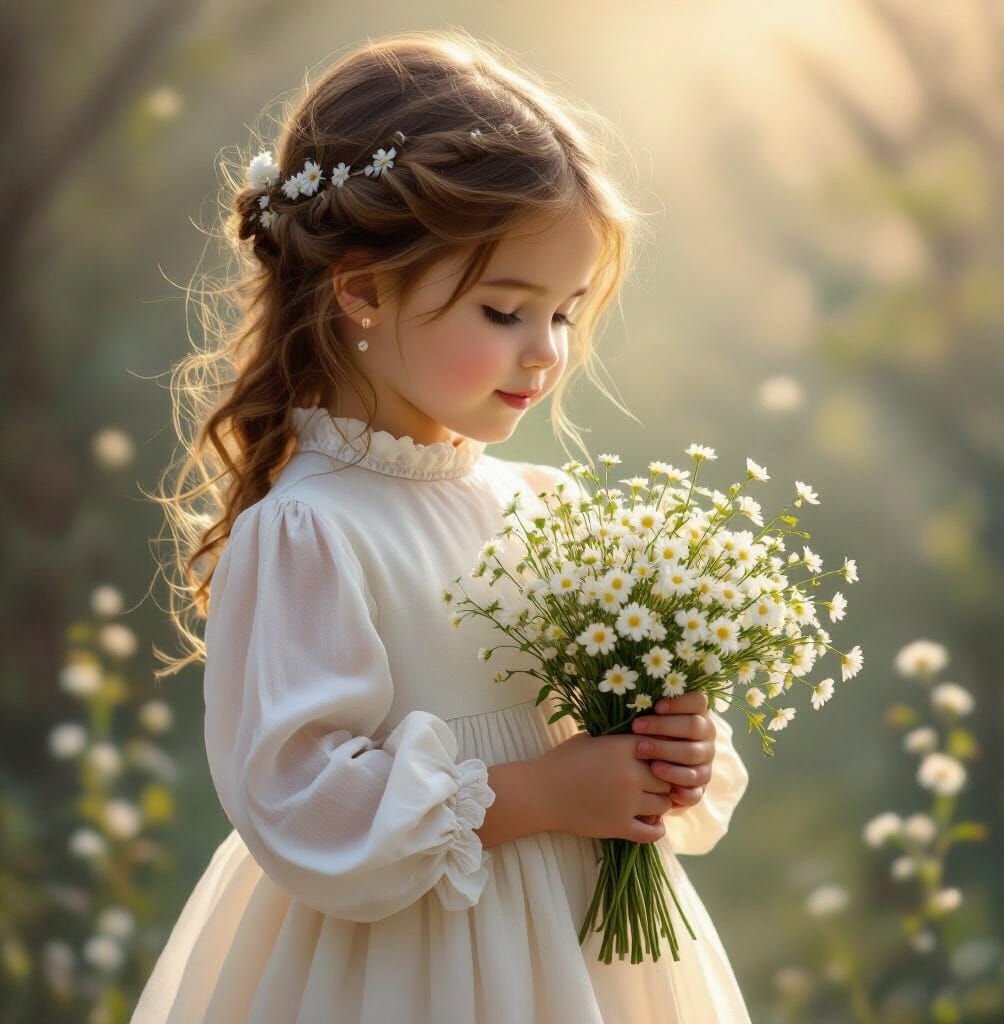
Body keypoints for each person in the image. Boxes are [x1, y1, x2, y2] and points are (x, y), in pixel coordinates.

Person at [136, 28, 751, 1023]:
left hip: (584, 954)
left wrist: (662, 746)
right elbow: (302, 802)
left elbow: (597, 749)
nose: (545, 352)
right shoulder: (312, 531)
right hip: (406, 969)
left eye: (564, 311)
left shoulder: (546, 507)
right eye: (506, 310)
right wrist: (546, 796)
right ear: (363, 289)